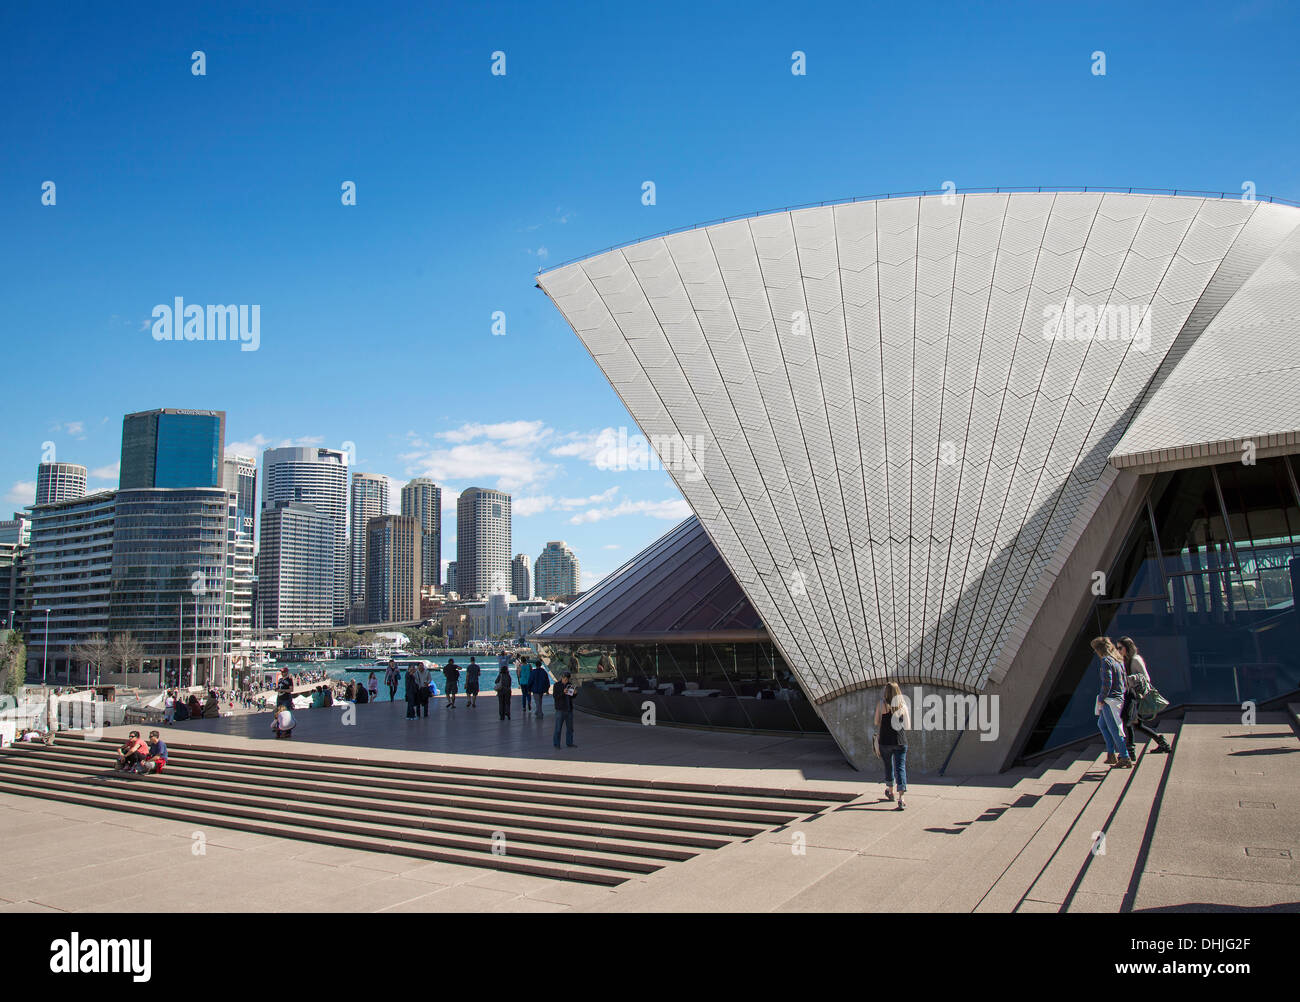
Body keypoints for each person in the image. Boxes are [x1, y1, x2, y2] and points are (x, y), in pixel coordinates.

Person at [1116, 636, 1173, 756]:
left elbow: (1146, 678)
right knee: (1136, 724)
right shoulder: (1125, 660)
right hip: (1130, 695)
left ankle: (1130, 752)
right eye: (1117, 648)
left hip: (1136, 696)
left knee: (1129, 721)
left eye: (1120, 648)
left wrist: (1129, 680)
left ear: (1127, 647)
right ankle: (1162, 742)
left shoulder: (1135, 659)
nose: (1118, 650)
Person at [1090, 637, 1131, 769]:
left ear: (1099, 650)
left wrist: (1101, 699)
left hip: (1110, 700)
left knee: (1114, 729)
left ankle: (1124, 757)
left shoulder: (1106, 661)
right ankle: (1111, 753)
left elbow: (1107, 683)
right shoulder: (1118, 660)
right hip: (1118, 697)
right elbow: (1124, 681)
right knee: (1102, 724)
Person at [873, 682, 910, 809]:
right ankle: (901, 798)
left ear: (886, 692)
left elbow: (876, 721)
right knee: (900, 768)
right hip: (900, 740)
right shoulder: (903, 705)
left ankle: (890, 791)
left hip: (885, 741)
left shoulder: (881, 704)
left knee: (888, 766)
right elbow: (907, 725)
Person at [552, 671, 577, 748]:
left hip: (569, 709)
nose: (566, 680)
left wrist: (575, 693)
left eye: (567, 679)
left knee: (570, 728)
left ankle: (569, 742)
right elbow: (555, 696)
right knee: (558, 728)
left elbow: (571, 697)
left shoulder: (570, 685)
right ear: (562, 678)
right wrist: (563, 692)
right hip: (560, 709)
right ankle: (556, 744)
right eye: (565, 679)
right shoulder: (557, 685)